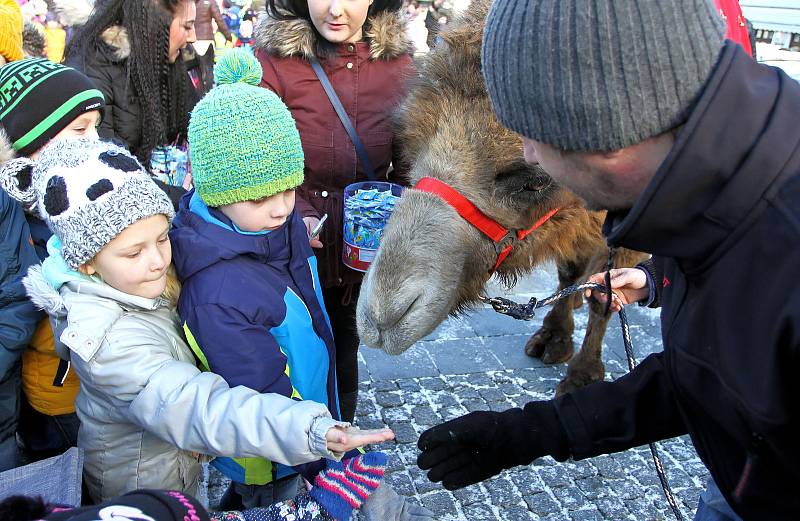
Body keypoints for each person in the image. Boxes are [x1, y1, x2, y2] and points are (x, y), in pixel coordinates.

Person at [417, 0, 800, 520]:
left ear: (601, 129)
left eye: (530, 134)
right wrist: (534, 431)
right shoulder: (727, 193)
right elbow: (718, 375)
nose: (529, 156)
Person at [2, 137, 394, 503]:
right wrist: (310, 431)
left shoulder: (135, 284)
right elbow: (200, 408)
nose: (158, 261)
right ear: (86, 262)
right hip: (144, 491)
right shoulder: (109, 343)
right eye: (133, 253)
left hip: (180, 464)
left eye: (161, 238)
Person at [170, 50, 431, 521]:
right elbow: (259, 391)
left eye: (289, 189)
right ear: (215, 192)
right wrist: (319, 455)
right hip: (273, 451)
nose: (279, 207)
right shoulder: (217, 292)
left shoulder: (278, 229)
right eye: (259, 197)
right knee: (270, 502)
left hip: (307, 416)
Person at [254, 0, 415, 425]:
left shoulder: (400, 67)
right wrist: (297, 211)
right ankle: (288, 452)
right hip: (290, 246)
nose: (336, 9)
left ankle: (337, 444)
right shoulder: (274, 64)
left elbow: (411, 162)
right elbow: (257, 156)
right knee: (290, 351)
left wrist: (396, 213)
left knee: (345, 347)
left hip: (359, 253)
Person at [0, 57, 107, 463]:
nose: (93, 140)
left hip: (91, 381)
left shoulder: (82, 188)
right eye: (80, 129)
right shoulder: (21, 218)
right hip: (56, 392)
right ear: (27, 141)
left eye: (96, 126)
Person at [63, 0, 197, 207]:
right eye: (187, 26)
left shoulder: (166, 63)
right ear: (155, 21)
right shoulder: (92, 70)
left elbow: (198, 119)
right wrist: (184, 200)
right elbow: (103, 170)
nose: (193, 37)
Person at [194, 0, 233, 92]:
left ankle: (197, 93)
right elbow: (219, 20)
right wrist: (228, 36)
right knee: (208, 70)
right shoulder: (211, 2)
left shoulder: (192, 2)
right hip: (207, 40)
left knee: (196, 70)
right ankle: (208, 93)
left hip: (193, 40)